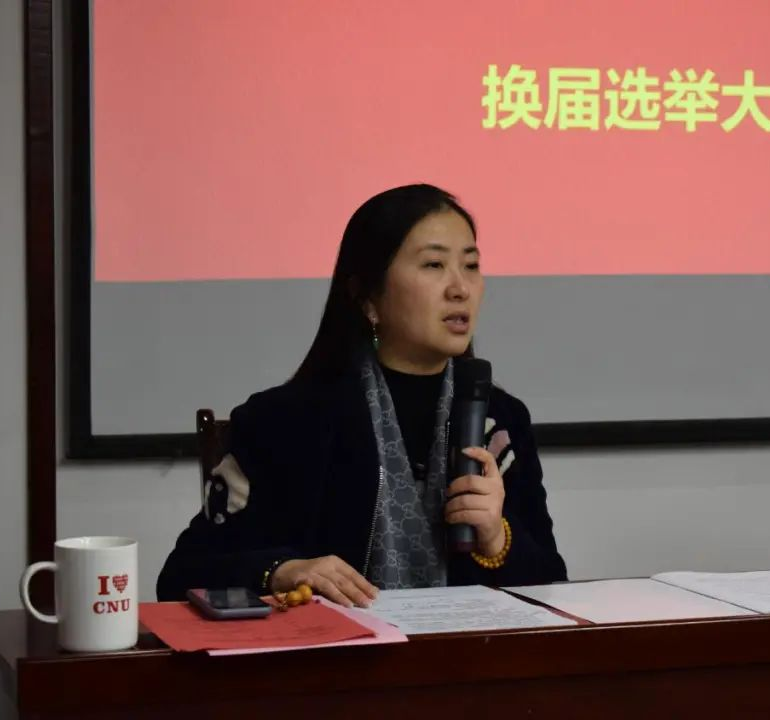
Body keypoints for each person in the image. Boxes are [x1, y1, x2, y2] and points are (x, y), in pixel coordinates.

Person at [156, 184, 567, 607]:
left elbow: (553, 584)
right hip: (334, 647)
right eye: (434, 265)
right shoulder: (284, 421)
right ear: (368, 297)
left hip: (468, 645)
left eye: (471, 265)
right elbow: (181, 575)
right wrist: (280, 571)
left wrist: (497, 539)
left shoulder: (499, 421)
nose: (460, 288)